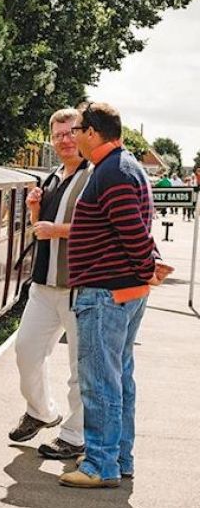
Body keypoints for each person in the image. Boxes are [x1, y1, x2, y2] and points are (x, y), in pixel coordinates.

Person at [60, 101, 173, 488]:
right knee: (120, 378)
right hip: (123, 290)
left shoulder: (112, 172)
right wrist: (149, 265)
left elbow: (131, 230)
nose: (73, 138)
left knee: (100, 381)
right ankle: (119, 457)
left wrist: (146, 267)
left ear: (92, 132)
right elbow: (140, 228)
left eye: (76, 131)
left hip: (107, 291)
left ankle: (100, 464)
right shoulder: (126, 167)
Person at [8, 108, 92, 459]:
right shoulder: (52, 178)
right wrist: (33, 212)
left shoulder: (95, 176)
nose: (65, 140)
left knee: (80, 366)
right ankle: (42, 412)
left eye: (71, 132)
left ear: (84, 134)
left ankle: (74, 436)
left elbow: (101, 228)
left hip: (79, 285)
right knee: (26, 351)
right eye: (58, 135)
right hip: (44, 284)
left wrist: (58, 230)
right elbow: (41, 232)